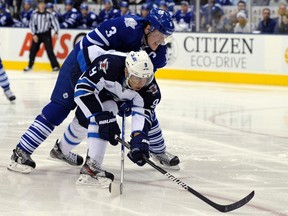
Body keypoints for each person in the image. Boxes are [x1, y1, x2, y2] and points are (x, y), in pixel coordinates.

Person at [7, 8, 180, 174]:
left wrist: (127, 96)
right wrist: (93, 84)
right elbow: (87, 49)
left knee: (146, 107)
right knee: (60, 108)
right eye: (161, 35)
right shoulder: (124, 27)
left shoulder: (159, 52)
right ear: (149, 28)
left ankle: (158, 150)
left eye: (166, 37)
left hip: (111, 76)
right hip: (82, 65)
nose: (162, 42)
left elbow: (143, 83)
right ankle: (21, 152)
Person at [67, 50, 155, 185]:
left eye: (146, 79)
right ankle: (64, 152)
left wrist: (139, 136)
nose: (141, 84)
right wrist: (99, 116)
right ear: (127, 72)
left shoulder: (150, 88)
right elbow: (82, 90)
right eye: (137, 78)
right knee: (90, 118)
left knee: (109, 109)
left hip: (112, 96)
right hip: (86, 79)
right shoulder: (109, 65)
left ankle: (91, 167)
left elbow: (142, 110)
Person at [23, 0, 60, 72]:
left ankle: (55, 66)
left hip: (46, 34)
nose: (42, 5)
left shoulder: (49, 14)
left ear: (45, 5)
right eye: (40, 4)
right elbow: (32, 24)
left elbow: (55, 23)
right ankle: (30, 66)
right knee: (32, 50)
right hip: (37, 35)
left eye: (43, 4)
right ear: (38, 5)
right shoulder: (34, 14)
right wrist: (34, 34)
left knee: (49, 51)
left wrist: (56, 32)